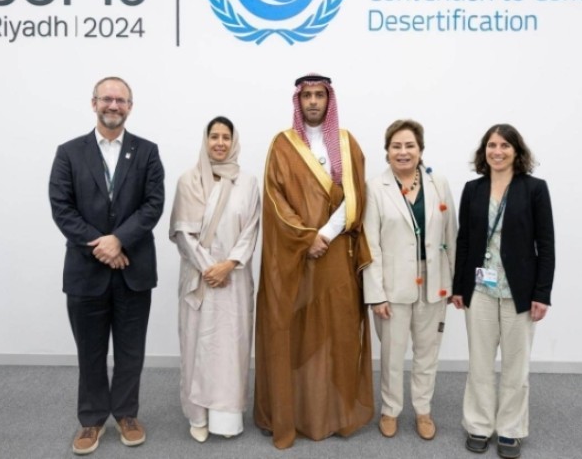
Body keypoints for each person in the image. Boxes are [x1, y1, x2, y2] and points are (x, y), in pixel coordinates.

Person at [253, 73, 374, 449]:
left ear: (329, 100)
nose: (313, 102)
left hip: (335, 253)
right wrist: (307, 238)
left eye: (320, 95)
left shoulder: (347, 142)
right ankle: (296, 413)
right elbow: (274, 198)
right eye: (307, 95)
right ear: (298, 100)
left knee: (337, 331)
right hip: (296, 256)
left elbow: (356, 195)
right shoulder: (282, 144)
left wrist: (326, 233)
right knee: (298, 333)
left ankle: (334, 414)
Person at [48, 76, 165, 455]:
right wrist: (102, 245)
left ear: (130, 106)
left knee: (131, 350)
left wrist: (119, 240)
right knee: (91, 351)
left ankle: (127, 414)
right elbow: (62, 207)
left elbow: (153, 204)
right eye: (107, 99)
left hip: (134, 270)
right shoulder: (69, 152)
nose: (113, 105)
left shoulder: (147, 152)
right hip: (86, 271)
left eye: (121, 100)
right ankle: (92, 419)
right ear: (94, 103)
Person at [451, 124, 555, 458]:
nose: (497, 151)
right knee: (480, 363)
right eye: (492, 145)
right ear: (484, 151)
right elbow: (464, 241)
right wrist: (458, 287)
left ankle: (511, 430)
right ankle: (479, 425)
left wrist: (542, 293)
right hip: (479, 289)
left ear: (516, 151)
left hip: (519, 292)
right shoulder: (473, 189)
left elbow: (546, 244)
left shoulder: (534, 189)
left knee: (515, 366)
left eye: (505, 145)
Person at [363, 119, 457, 441]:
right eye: (396, 146)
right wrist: (376, 294)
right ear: (387, 151)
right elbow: (370, 245)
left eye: (409, 146)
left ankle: (423, 410)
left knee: (427, 352)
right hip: (392, 285)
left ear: (420, 149)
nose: (403, 152)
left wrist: (453, 283)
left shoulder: (438, 183)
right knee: (392, 354)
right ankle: (390, 410)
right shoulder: (375, 187)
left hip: (433, 280)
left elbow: (451, 235)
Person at [169, 116, 260, 442]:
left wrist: (229, 265)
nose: (220, 143)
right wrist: (211, 268)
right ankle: (197, 415)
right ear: (205, 140)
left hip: (234, 279)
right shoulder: (189, 180)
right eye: (214, 137)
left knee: (230, 348)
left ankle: (226, 418)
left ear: (234, 142)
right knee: (197, 344)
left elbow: (251, 229)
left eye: (226, 137)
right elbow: (183, 232)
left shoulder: (248, 182)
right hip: (200, 278)